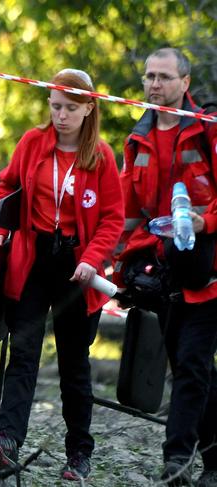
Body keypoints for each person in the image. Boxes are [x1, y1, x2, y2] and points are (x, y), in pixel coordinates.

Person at [0, 69, 124, 482]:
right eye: (55, 106)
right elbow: (7, 186)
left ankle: (78, 453)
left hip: (79, 268)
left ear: (89, 108)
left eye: (70, 108)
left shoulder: (102, 156)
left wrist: (93, 258)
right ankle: (7, 439)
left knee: (74, 361)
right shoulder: (32, 142)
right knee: (23, 351)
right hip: (34, 260)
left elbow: (113, 217)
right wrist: (4, 229)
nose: (60, 115)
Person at [114, 48, 217, 487]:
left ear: (185, 83)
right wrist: (119, 263)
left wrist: (203, 221)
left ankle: (175, 461)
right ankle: (214, 458)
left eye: (164, 77)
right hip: (163, 272)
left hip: (208, 269)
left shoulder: (208, 130)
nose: (154, 85)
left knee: (192, 363)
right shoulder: (137, 139)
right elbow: (127, 213)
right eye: (149, 77)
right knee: (192, 366)